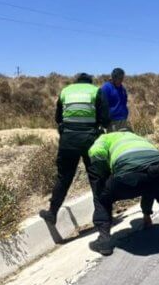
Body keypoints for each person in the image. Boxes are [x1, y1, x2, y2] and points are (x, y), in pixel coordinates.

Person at [87, 131, 159, 256]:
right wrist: (146, 215)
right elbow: (149, 175)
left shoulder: (105, 137)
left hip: (127, 175)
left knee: (102, 197)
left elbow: (96, 152)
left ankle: (104, 241)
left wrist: (104, 174)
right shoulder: (138, 138)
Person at [39, 73, 110, 224]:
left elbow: (58, 118)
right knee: (96, 178)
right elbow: (105, 120)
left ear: (76, 82)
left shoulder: (66, 91)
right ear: (90, 82)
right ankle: (102, 217)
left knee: (64, 177)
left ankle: (52, 212)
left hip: (68, 140)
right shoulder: (96, 91)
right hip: (90, 139)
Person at [100, 67, 130, 132]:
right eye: (119, 78)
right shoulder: (106, 88)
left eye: (122, 78)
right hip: (112, 121)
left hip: (123, 120)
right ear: (114, 77)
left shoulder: (122, 89)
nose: (121, 80)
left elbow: (124, 103)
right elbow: (102, 105)